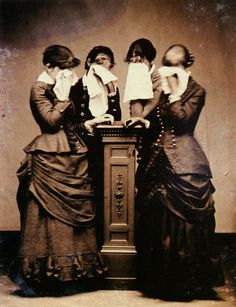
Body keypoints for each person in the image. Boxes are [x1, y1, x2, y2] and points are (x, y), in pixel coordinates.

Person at [12, 45, 113, 295]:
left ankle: (75, 275)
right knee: (47, 216)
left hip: (73, 154)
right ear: (49, 67)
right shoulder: (39, 89)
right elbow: (50, 122)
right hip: (49, 157)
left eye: (70, 69)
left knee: (75, 215)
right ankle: (48, 277)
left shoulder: (58, 88)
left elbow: (71, 124)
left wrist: (90, 122)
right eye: (64, 69)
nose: (68, 74)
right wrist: (64, 96)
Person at [126, 44, 225, 300]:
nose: (169, 70)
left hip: (185, 160)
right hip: (159, 159)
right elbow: (161, 121)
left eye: (175, 65)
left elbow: (182, 120)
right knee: (156, 219)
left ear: (187, 67)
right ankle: (158, 280)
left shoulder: (196, 91)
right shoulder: (164, 89)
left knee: (184, 222)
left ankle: (187, 282)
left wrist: (172, 93)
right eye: (166, 64)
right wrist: (144, 120)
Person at [70, 45, 121, 125]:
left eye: (104, 60)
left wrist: (110, 86)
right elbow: (73, 121)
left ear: (111, 66)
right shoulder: (77, 86)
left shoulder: (112, 87)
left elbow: (117, 117)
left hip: (106, 135)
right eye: (98, 63)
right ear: (89, 63)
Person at [123, 38, 162, 120]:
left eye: (140, 61)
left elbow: (138, 117)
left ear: (150, 60)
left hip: (155, 129)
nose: (136, 66)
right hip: (139, 129)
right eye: (133, 62)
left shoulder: (158, 81)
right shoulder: (136, 79)